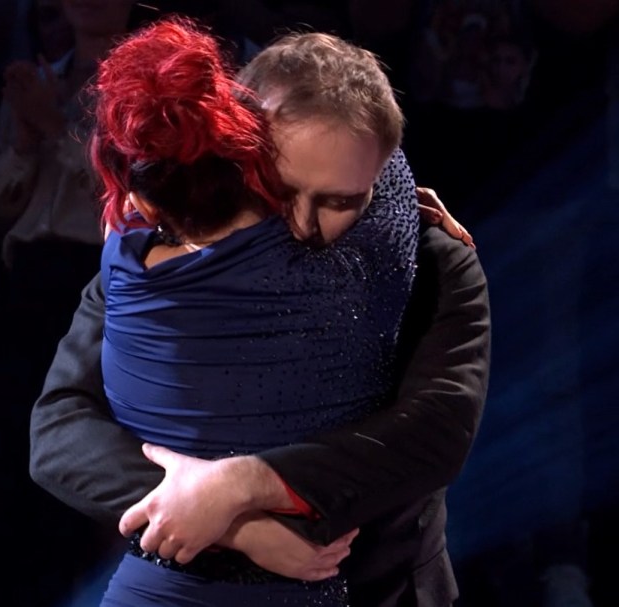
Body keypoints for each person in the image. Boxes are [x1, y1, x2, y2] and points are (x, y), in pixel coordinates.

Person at [29, 25, 490, 607]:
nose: (303, 225)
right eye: (281, 188)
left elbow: (437, 430)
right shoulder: (166, 265)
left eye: (342, 200)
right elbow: (59, 431)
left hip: (385, 590)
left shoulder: (432, 260)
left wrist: (244, 483)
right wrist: (226, 522)